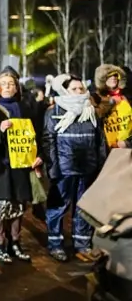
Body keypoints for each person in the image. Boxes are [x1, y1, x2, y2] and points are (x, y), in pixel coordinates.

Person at [0, 67, 43, 263]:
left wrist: (39, 156)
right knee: (1, 206)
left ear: (16, 88)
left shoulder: (25, 109)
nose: (7, 87)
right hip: (1, 167)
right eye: (3, 84)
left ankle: (15, 243)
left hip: (20, 166)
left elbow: (36, 135)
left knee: (19, 206)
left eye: (11, 84)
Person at [42, 74, 107, 262]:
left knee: (84, 208)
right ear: (64, 91)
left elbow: (99, 140)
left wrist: (100, 165)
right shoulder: (54, 111)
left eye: (81, 89)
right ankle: (55, 244)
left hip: (88, 167)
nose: (79, 92)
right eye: (74, 89)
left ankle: (82, 244)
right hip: (64, 168)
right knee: (58, 207)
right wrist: (53, 167)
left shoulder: (91, 111)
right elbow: (48, 140)